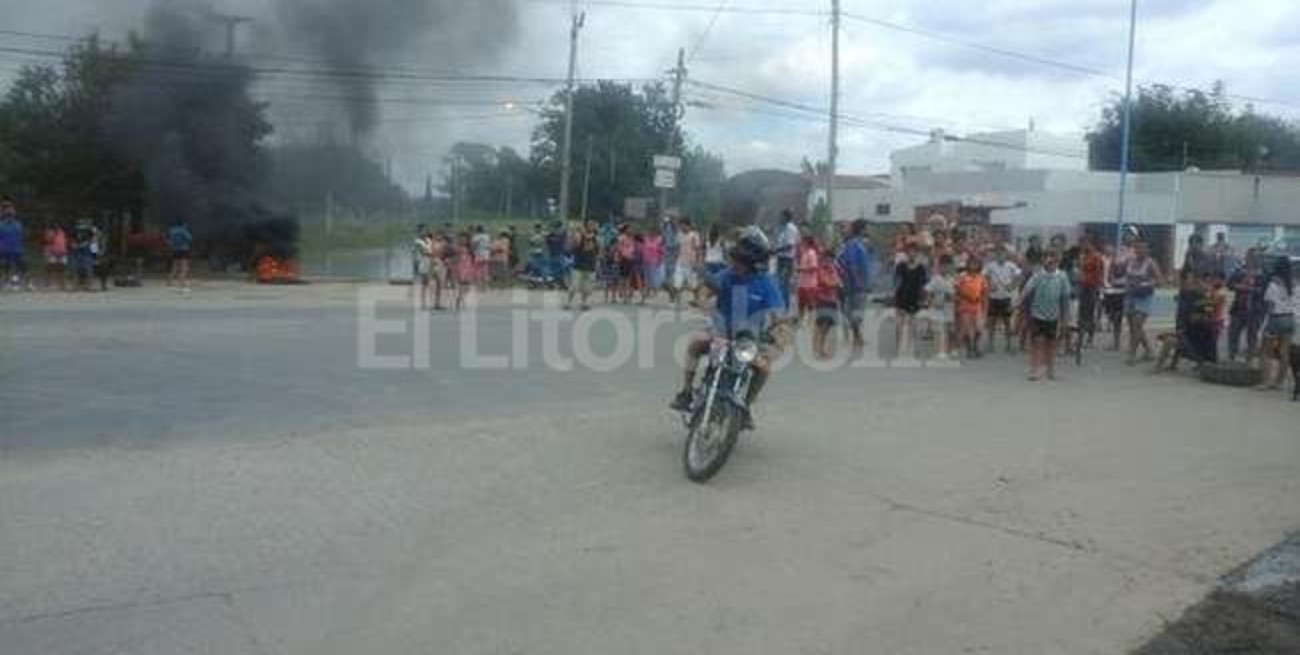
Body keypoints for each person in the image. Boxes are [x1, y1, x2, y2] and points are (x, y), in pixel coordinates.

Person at [670, 227, 788, 431]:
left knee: (764, 367)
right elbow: (705, 291)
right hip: (720, 333)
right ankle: (686, 391)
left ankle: (745, 407)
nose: (735, 265)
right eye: (735, 260)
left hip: (748, 341)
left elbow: (779, 317)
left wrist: (777, 334)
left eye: (739, 262)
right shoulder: (727, 275)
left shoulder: (766, 283)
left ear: (751, 263)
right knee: (695, 344)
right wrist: (702, 300)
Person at [1021, 251, 1072, 381]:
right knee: (1037, 342)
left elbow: (1065, 299)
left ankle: (1050, 369)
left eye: (1053, 260)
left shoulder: (1062, 277)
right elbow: (1026, 291)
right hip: (1037, 314)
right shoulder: (1037, 275)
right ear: (1044, 261)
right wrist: (1019, 304)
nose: (1050, 263)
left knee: (1051, 344)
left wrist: (1065, 319)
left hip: (1053, 316)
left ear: (1057, 262)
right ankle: (1035, 370)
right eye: (1047, 260)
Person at [1259, 257, 1295, 391]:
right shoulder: (1293, 284)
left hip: (1276, 318)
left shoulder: (1273, 284)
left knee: (1264, 351)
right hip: (1289, 318)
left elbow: (1270, 307)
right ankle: (1280, 382)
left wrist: (1263, 325)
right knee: (1284, 352)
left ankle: (1266, 382)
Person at [837, 219, 873, 354]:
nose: (868, 231)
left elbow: (858, 264)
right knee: (853, 311)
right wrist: (858, 282)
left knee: (854, 311)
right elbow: (851, 265)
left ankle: (857, 336)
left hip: (856, 283)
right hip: (853, 284)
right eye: (867, 228)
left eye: (845, 228)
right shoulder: (851, 245)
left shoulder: (856, 244)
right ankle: (857, 336)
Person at [1124, 241, 1162, 366]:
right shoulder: (1131, 261)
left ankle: (1132, 354)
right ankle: (1149, 350)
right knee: (1134, 327)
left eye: (1143, 248)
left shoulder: (1151, 263)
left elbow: (1160, 280)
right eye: (1138, 248)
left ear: (1147, 250)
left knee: (1137, 323)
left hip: (1144, 297)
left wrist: (1146, 284)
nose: (1140, 250)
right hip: (1131, 296)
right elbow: (1127, 277)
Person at [983, 246, 1021, 354]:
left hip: (1006, 298)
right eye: (998, 253)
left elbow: (1019, 276)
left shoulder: (1011, 265)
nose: (1001, 256)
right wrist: (989, 284)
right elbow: (983, 276)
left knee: (1007, 322)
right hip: (993, 297)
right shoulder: (990, 266)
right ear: (995, 255)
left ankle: (1009, 345)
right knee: (992, 322)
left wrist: (1012, 286)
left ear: (1006, 254)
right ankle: (990, 344)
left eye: (1003, 253)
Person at [893, 243, 928, 358]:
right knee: (899, 324)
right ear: (906, 253)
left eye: (914, 252)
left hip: (915, 298)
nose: (912, 254)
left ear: (917, 253)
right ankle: (897, 347)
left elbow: (924, 285)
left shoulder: (921, 268)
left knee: (913, 324)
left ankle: (912, 347)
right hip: (901, 297)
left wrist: (923, 299)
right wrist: (893, 295)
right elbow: (896, 282)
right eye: (910, 251)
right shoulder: (901, 266)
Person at [1227, 251, 1263, 362]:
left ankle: (1249, 360)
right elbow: (1229, 284)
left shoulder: (1262, 274)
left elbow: (1264, 291)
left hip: (1254, 310)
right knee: (1233, 334)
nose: (1251, 260)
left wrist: (1249, 289)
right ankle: (1231, 358)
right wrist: (1238, 287)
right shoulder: (1239, 272)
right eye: (1249, 257)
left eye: (1255, 257)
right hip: (1239, 308)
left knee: (1252, 337)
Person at [811, 248, 843, 360]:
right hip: (822, 299)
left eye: (831, 259)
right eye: (828, 258)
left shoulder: (833, 268)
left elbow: (839, 282)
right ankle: (818, 349)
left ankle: (821, 347)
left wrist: (835, 282)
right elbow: (826, 282)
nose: (829, 261)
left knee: (827, 326)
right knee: (821, 325)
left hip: (832, 299)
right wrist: (835, 283)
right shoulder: (820, 269)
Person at [922, 256, 955, 359]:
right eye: (943, 266)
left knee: (950, 329)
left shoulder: (952, 279)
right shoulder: (936, 278)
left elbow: (954, 294)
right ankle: (940, 351)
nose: (946, 268)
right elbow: (926, 290)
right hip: (938, 308)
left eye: (948, 266)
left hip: (949, 307)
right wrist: (930, 301)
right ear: (939, 267)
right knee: (939, 330)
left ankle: (949, 349)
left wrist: (952, 298)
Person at [954, 257, 988, 359]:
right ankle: (969, 348)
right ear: (967, 264)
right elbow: (956, 291)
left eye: (975, 263)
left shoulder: (981, 278)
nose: (973, 266)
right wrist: (962, 298)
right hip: (964, 306)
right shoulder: (962, 276)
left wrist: (985, 308)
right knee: (966, 329)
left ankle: (975, 345)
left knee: (979, 329)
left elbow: (985, 294)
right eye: (971, 263)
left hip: (977, 306)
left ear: (979, 265)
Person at [566, 220, 599, 311]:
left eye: (593, 225)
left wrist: (597, 262)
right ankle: (568, 302)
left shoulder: (596, 238)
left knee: (587, 288)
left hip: (590, 265)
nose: (592, 227)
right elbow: (573, 245)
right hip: (578, 265)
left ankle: (584, 303)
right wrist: (574, 232)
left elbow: (597, 252)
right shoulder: (579, 236)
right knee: (574, 286)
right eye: (590, 225)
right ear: (586, 226)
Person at [1077, 239, 1104, 348]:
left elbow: (1099, 273)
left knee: (1090, 313)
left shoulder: (1096, 257)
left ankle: (1090, 339)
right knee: (1081, 313)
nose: (1084, 246)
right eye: (1083, 244)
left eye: (1087, 243)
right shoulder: (1083, 256)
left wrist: (1098, 287)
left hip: (1092, 288)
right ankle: (1081, 337)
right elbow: (1081, 270)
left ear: (1092, 244)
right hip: (1083, 287)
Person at [1102, 244, 1128, 351]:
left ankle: (1117, 342)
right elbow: (1109, 276)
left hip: (1120, 293)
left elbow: (1123, 276)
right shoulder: (1111, 261)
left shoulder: (1126, 262)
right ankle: (1115, 341)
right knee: (1111, 316)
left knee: (1117, 318)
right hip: (1109, 292)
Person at [673, 218, 702, 307]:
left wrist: (698, 262)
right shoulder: (679, 235)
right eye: (680, 225)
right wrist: (675, 256)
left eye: (682, 225)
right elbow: (677, 247)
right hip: (680, 262)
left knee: (693, 284)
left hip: (691, 263)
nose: (681, 227)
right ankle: (678, 300)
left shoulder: (694, 235)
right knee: (677, 282)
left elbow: (698, 249)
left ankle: (697, 299)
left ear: (688, 225)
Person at [773, 209, 800, 307]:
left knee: (783, 284)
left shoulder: (790, 229)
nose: (780, 218)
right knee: (780, 284)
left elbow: (790, 245)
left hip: (786, 260)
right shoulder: (783, 228)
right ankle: (782, 305)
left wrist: (776, 251)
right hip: (782, 258)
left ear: (786, 217)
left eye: (782, 216)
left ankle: (785, 306)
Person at [0, 199, 27, 291]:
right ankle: (7, 283)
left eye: (10, 215)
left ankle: (15, 283)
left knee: (16, 267)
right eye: (8, 215)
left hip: (16, 249)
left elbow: (20, 236)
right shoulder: (2, 225)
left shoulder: (18, 224)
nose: (9, 216)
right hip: (5, 249)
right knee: (6, 267)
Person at [795, 234, 822, 323]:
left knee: (810, 306)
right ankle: (800, 321)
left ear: (806, 242)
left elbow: (814, 267)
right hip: (802, 284)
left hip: (810, 285)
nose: (801, 244)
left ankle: (811, 322)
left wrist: (802, 269)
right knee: (801, 305)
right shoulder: (804, 253)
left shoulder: (811, 253)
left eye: (802, 242)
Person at [167, 220, 194, 291]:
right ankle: (182, 285)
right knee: (184, 268)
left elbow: (169, 241)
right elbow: (190, 239)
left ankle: (169, 283)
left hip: (174, 250)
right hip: (183, 250)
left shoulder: (172, 230)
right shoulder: (183, 230)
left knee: (174, 267)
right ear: (183, 224)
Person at [640, 229, 665, 304]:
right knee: (646, 277)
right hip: (645, 261)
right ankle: (648, 291)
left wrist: (660, 260)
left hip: (654, 261)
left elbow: (661, 251)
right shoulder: (645, 240)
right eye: (650, 233)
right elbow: (642, 249)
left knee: (653, 277)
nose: (651, 234)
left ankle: (655, 291)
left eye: (653, 233)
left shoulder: (658, 241)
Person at [42, 222, 68, 291]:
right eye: (55, 227)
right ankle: (47, 284)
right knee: (50, 268)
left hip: (62, 253)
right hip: (52, 253)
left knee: (61, 269)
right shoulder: (49, 233)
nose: (57, 228)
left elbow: (64, 243)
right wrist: (46, 252)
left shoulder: (62, 233)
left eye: (58, 227)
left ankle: (62, 284)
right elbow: (46, 242)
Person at [453, 232, 475, 312]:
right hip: (461, 267)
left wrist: (473, 267)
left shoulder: (470, 248)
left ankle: (460, 299)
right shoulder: (458, 248)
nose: (463, 240)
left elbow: (473, 258)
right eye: (462, 239)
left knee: (468, 287)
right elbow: (455, 258)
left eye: (465, 239)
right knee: (462, 285)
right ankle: (460, 301)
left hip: (468, 267)